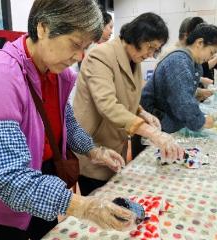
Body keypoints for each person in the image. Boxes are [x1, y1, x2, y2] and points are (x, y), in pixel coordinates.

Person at [0, 1, 136, 240]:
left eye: (85, 47)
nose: (79, 56)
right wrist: (84, 207)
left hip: (43, 178)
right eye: (75, 44)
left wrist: (95, 151)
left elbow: (66, 123)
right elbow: (8, 178)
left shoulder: (59, 74)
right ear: (43, 28)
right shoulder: (1, 75)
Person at [73, 12, 184, 196]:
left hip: (117, 144)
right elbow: (108, 104)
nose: (150, 54)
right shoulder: (100, 56)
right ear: (138, 36)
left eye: (155, 50)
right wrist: (152, 133)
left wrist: (142, 113)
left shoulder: (133, 59)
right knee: (97, 204)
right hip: (95, 146)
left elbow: (126, 97)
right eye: (150, 47)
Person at [140, 23, 217, 134]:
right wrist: (201, 121)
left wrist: (197, 92)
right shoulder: (179, 61)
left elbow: (177, 90)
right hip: (154, 122)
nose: (210, 57)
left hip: (166, 120)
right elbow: (182, 101)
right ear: (199, 43)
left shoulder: (195, 64)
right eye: (211, 52)